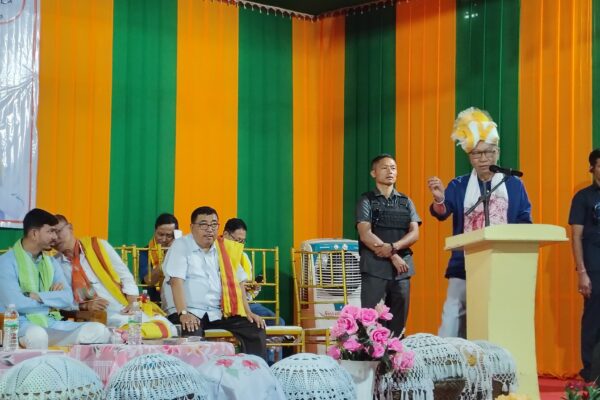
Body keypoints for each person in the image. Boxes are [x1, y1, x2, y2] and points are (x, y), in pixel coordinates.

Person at [427, 107, 532, 338]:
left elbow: (525, 220)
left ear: (497, 153)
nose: (483, 159)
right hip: (463, 262)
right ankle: (448, 356)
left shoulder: (513, 184)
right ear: (469, 156)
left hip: (503, 261)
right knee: (453, 313)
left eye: (488, 152)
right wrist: (439, 199)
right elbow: (442, 213)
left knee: (498, 315)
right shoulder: (459, 185)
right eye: (476, 154)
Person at [162, 206, 267, 360]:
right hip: (188, 311)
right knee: (191, 333)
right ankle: (196, 375)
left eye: (213, 225)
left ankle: (254, 371)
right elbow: (175, 281)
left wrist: (248, 312)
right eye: (203, 224)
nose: (209, 229)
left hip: (217, 313)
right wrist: (183, 314)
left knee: (255, 327)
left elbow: (238, 282)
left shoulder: (223, 247)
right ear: (192, 227)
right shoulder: (181, 245)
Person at [0, 208, 109, 349]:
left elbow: (68, 298)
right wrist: (52, 302)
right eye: (50, 231)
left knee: (99, 331)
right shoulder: (6, 262)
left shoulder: (51, 263)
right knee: (38, 335)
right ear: (34, 233)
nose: (55, 237)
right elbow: (16, 304)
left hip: (52, 323)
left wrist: (38, 296)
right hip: (22, 325)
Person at [53, 214, 173, 333]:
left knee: (168, 328)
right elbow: (61, 300)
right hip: (96, 317)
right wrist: (84, 306)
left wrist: (132, 302)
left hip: (122, 307)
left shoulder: (97, 246)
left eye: (58, 231)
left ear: (70, 227)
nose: (55, 237)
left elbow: (125, 275)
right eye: (51, 233)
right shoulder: (54, 264)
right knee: (134, 332)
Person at [356, 154, 421, 337]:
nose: (390, 171)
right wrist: (393, 255)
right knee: (371, 324)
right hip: (375, 268)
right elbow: (365, 234)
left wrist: (394, 247)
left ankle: (396, 354)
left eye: (393, 168)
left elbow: (414, 233)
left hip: (402, 271)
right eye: (384, 168)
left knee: (399, 324)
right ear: (373, 173)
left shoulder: (406, 201)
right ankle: (372, 355)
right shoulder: (366, 200)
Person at [568, 148, 600, 381]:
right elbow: (576, 236)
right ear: (592, 168)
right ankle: (590, 371)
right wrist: (582, 272)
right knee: (593, 319)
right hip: (594, 264)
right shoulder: (583, 197)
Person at [223, 217, 284, 326]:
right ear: (225, 235)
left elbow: (247, 293)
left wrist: (253, 287)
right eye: (237, 240)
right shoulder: (217, 254)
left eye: (242, 241)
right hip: (228, 304)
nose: (240, 244)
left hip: (248, 303)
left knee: (278, 322)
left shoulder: (244, 257)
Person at [139, 213, 179, 303]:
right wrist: (167, 256)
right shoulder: (145, 252)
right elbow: (148, 282)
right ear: (155, 231)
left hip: (178, 302)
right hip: (155, 303)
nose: (164, 239)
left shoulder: (183, 252)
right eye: (160, 234)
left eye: (169, 236)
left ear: (176, 235)